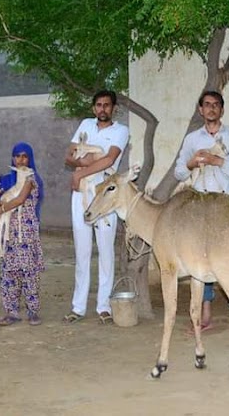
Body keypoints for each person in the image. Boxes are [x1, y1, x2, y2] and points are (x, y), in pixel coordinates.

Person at [174, 90, 229, 333]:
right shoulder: (192, 140)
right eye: (207, 105)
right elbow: (178, 173)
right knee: (200, 260)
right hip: (200, 208)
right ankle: (205, 313)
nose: (211, 109)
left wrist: (219, 162)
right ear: (200, 110)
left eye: (216, 105)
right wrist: (192, 163)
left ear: (222, 110)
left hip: (227, 207)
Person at [63, 90, 129, 325]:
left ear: (114, 108)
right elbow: (69, 155)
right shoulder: (85, 125)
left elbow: (109, 160)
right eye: (99, 105)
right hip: (81, 192)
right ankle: (78, 307)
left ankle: (103, 306)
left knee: (105, 250)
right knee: (81, 251)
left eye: (107, 105)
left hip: (105, 194)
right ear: (94, 108)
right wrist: (86, 163)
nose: (103, 109)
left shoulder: (120, 131)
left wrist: (80, 171)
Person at [0, 142, 45, 327]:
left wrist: (0, 207)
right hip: (9, 233)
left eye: (24, 156)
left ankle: (32, 312)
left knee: (28, 271)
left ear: (30, 159)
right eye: (17, 156)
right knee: (10, 271)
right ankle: (11, 312)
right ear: (12, 158)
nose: (20, 160)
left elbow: (19, 199)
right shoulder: (6, 180)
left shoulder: (31, 178)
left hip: (26, 232)